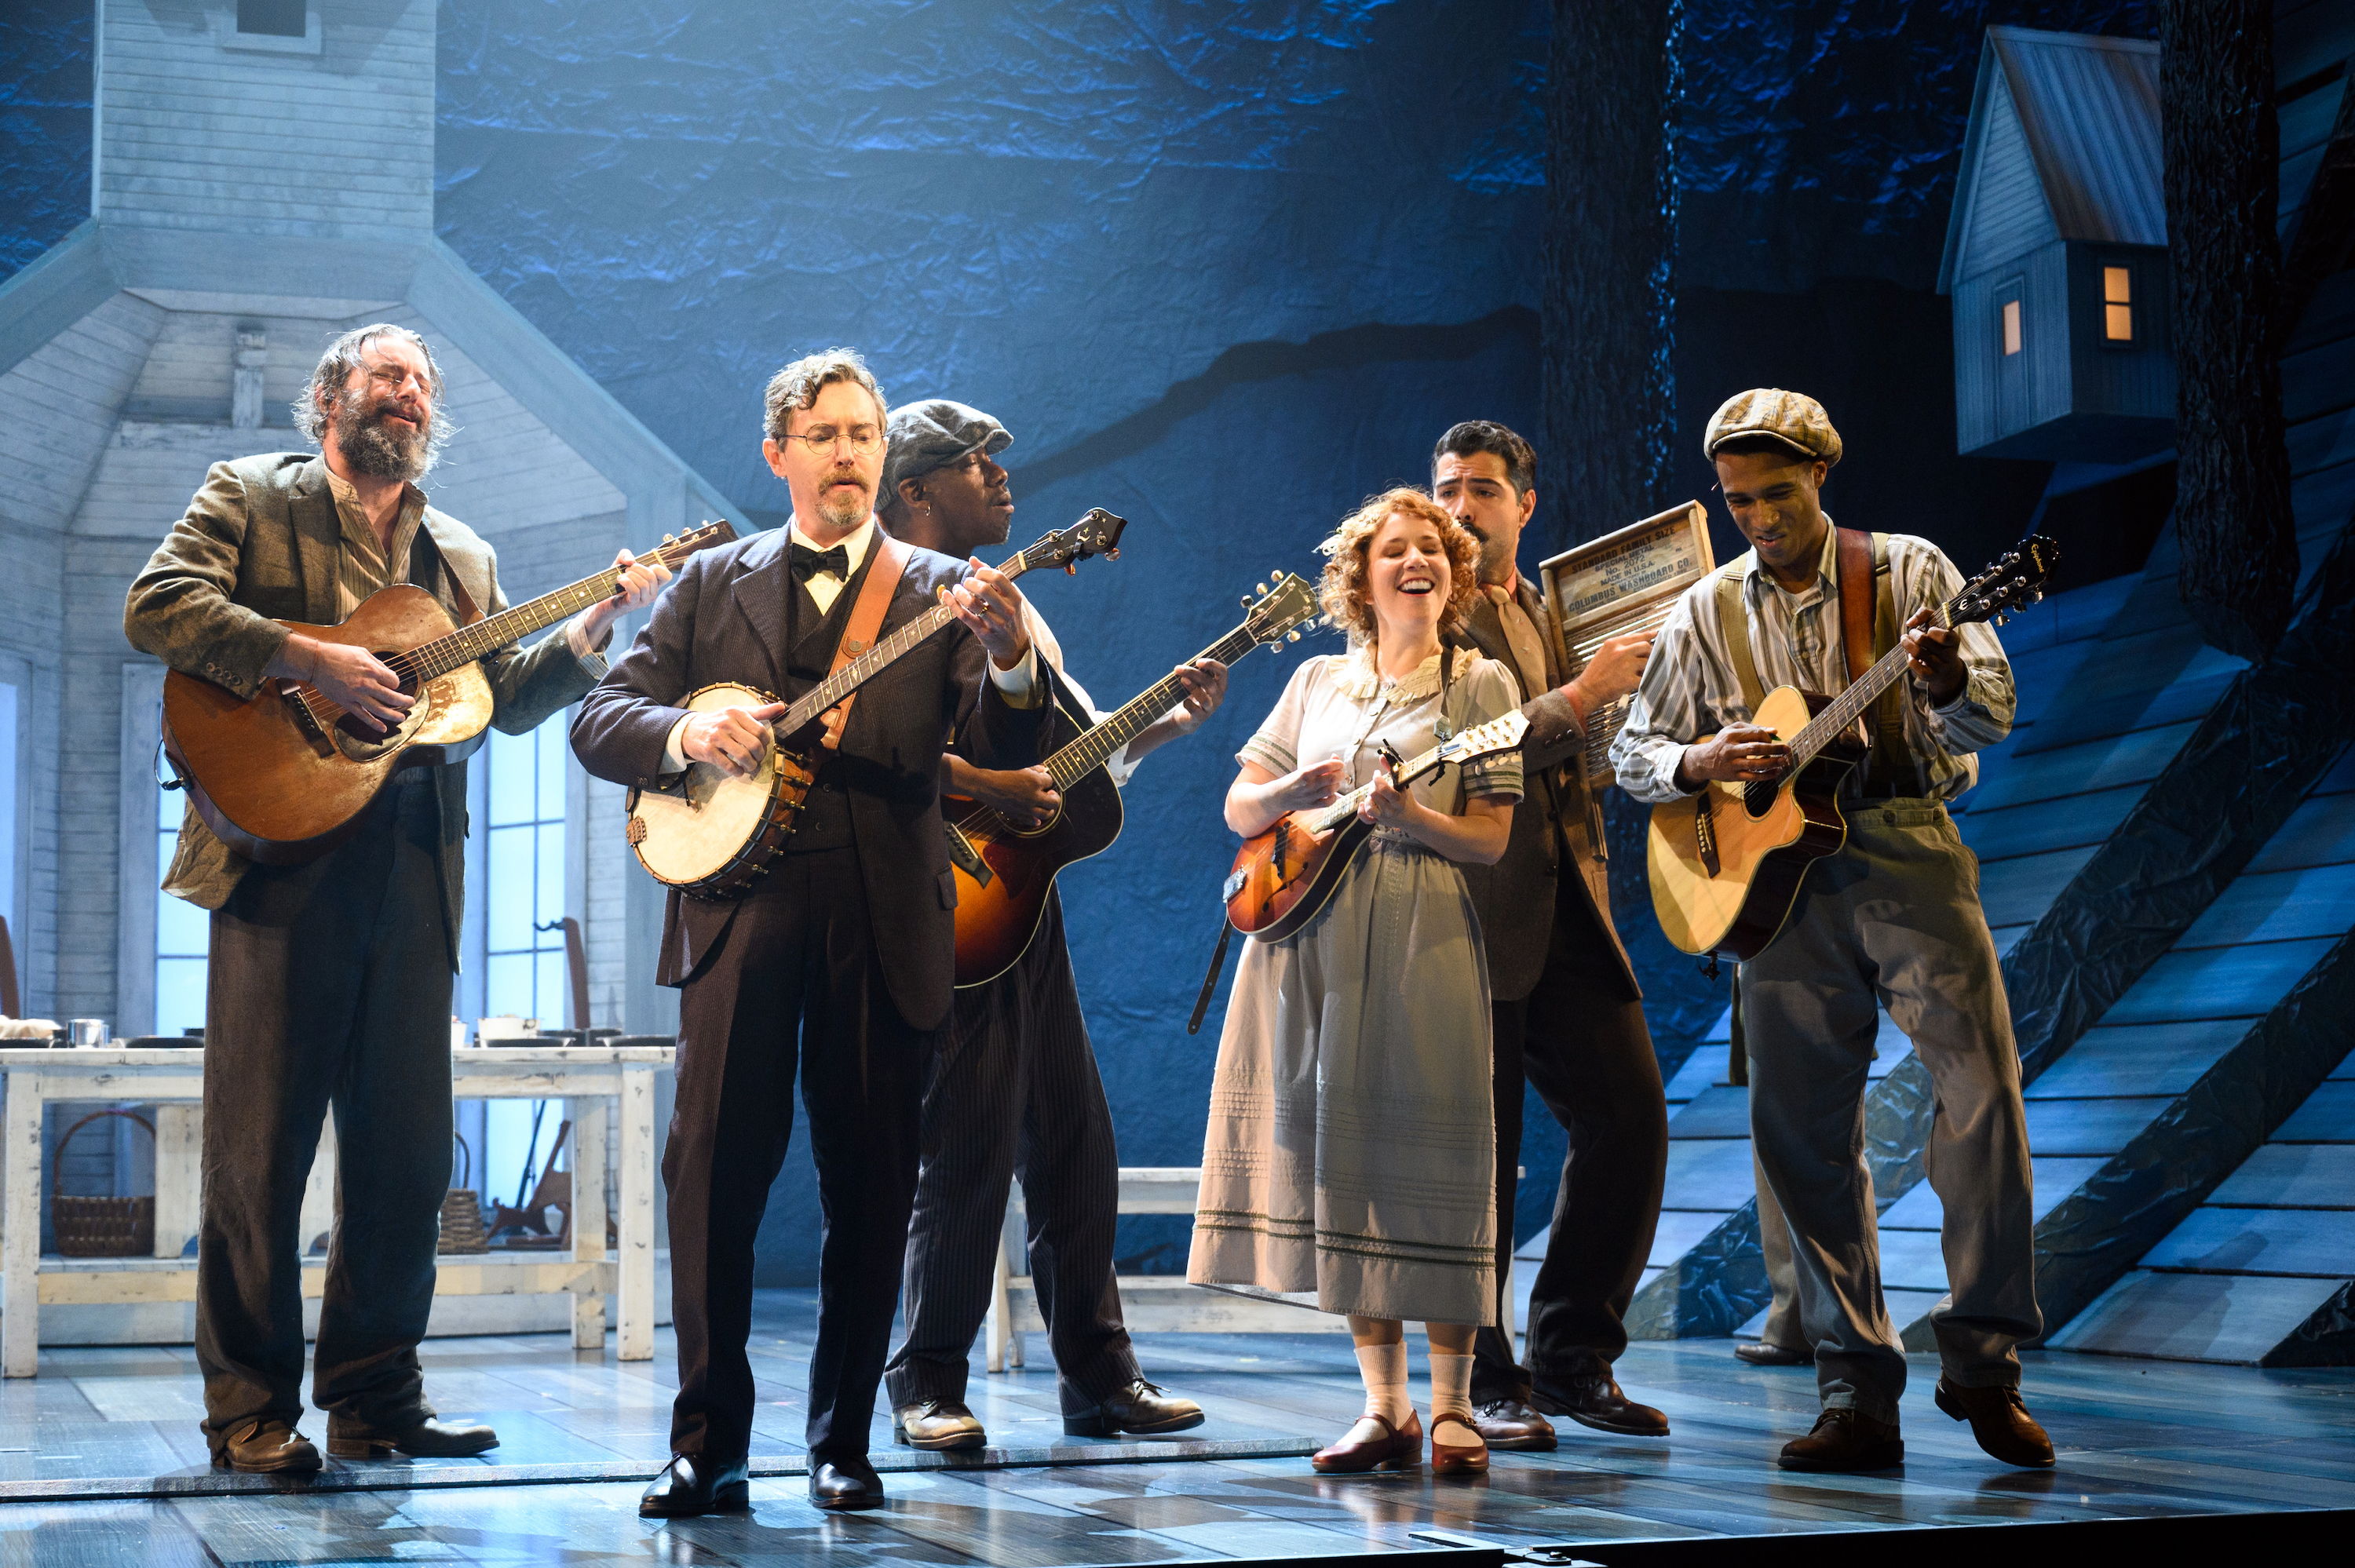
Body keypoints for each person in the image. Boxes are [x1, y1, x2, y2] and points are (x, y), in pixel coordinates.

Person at [122, 324, 666, 1473]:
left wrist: (589, 633)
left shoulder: (461, 552)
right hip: (280, 857)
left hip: (416, 859)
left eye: (424, 384)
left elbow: (506, 699)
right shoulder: (252, 496)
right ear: (331, 398)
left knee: (408, 1154)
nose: (410, 396)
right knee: (259, 1154)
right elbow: (158, 606)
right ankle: (250, 1413)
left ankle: (376, 1399)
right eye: (388, 377)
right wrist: (308, 660)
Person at [570, 351, 1047, 1515]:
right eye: (826, 434)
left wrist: (1011, 653)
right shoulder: (707, 583)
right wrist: (691, 739)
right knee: (713, 1181)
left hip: (888, 916)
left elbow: (1010, 733)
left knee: (875, 1183)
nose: (849, 454)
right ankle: (706, 1444)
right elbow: (599, 715)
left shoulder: (944, 585)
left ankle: (842, 1440)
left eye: (866, 435)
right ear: (778, 452)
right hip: (738, 918)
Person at [1612, 388, 2052, 1472]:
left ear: (1821, 474)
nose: (1757, 516)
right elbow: (1634, 754)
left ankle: (1985, 1365)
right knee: (1800, 1134)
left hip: (1907, 844)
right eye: (1738, 500)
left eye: (1776, 493)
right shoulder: (1705, 610)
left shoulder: (1907, 570)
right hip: (1776, 888)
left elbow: (1990, 706)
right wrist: (1701, 763)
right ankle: (1855, 1388)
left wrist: (1943, 673)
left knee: (1983, 1093)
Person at [874, 400, 1225, 1449]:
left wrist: (1159, 725)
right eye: (973, 463)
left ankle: (1100, 1380)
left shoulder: (1013, 609)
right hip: (946, 905)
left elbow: (1059, 765)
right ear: (917, 492)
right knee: (968, 1145)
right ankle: (926, 1378)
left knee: (1077, 1143)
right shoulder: (883, 602)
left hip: (1022, 906)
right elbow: (880, 758)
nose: (1000, 475)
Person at [1190, 488, 1519, 1477]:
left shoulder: (1483, 684)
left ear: (1454, 574)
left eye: (1432, 550)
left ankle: (1456, 1407)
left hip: (1421, 927)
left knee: (1434, 1161)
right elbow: (1239, 803)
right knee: (1344, 1166)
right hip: (1309, 935)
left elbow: (1494, 841)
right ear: (1360, 576)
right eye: (1394, 551)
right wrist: (1294, 790)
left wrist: (1410, 819)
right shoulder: (1316, 678)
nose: (1414, 562)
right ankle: (1386, 1409)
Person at [1429, 421, 1673, 1447]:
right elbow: (1452, 748)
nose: (1458, 508)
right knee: (1478, 1155)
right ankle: (1482, 1380)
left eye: (1481, 490)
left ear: (1525, 506)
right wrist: (1580, 697)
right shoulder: (1423, 611)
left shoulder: (1549, 608)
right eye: (1445, 489)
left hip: (1571, 897)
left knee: (1630, 1120)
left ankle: (1573, 1358)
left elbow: (1604, 743)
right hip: (1472, 908)